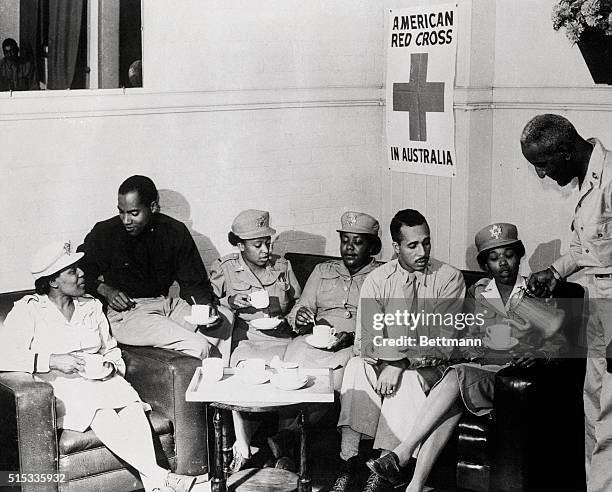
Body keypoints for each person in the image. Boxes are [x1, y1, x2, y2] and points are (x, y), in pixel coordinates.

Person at [365, 222, 566, 491]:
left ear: (520, 256)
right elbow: (464, 339)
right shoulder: (479, 292)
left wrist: (539, 353)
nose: (503, 264)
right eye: (494, 259)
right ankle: (415, 485)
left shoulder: (536, 291)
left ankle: (402, 452)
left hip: (511, 379)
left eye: (509, 255)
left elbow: (560, 341)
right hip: (480, 372)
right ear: (485, 265)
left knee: (455, 377)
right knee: (452, 399)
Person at [0, 241, 195, 492]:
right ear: (52, 281)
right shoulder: (29, 311)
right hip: (61, 386)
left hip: (103, 381)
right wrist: (51, 360)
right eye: (72, 271)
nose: (82, 274)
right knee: (101, 412)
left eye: (79, 268)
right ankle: (162, 477)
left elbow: (110, 348)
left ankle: (156, 484)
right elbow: (4, 355)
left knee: (133, 409)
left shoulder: (91, 306)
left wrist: (112, 367)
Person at [331, 209, 466, 492]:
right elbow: (365, 342)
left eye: (426, 242)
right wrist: (392, 359)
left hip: (429, 370)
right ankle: (349, 463)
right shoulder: (378, 280)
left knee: (404, 382)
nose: (423, 251)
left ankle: (385, 469)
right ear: (396, 247)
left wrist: (399, 363)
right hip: (385, 361)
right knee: (355, 367)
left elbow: (443, 342)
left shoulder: (449, 278)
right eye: (412, 245)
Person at [521, 114, 612, 492]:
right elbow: (590, 249)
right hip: (596, 307)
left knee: (610, 421)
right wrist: (556, 272)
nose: (541, 175)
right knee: (594, 410)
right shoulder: (589, 180)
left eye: (542, 165)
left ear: (564, 151)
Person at [265, 211, 381, 465]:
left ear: (372, 246)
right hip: (315, 340)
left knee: (334, 380)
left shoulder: (381, 276)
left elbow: (379, 325)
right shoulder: (322, 270)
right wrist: (302, 317)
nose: (349, 248)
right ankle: (287, 452)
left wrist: (351, 336)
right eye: (345, 240)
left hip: (352, 345)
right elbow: (299, 309)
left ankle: (287, 440)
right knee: (292, 362)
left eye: (358, 242)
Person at [78, 175, 226, 361]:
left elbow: (194, 282)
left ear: (153, 207)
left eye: (133, 213)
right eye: (121, 212)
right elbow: (78, 272)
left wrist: (204, 306)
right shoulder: (105, 232)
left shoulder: (174, 231)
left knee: (223, 322)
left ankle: (220, 379)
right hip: (128, 313)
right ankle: (204, 385)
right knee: (199, 346)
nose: (125, 220)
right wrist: (105, 289)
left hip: (167, 305)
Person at [209, 209, 302, 472]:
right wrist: (229, 301)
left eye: (268, 243)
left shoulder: (282, 266)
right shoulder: (225, 267)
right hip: (247, 338)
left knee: (293, 377)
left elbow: (300, 303)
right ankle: (242, 445)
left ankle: (283, 448)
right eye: (257, 245)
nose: (265, 250)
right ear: (240, 245)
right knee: (242, 373)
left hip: (282, 338)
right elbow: (208, 301)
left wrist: (291, 319)